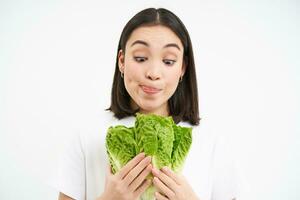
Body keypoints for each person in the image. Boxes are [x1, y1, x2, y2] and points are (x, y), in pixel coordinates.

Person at [54, 7, 245, 200]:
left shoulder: (212, 142)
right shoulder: (86, 135)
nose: (153, 72)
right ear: (122, 61)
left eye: (169, 61)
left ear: (183, 68)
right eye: (141, 58)